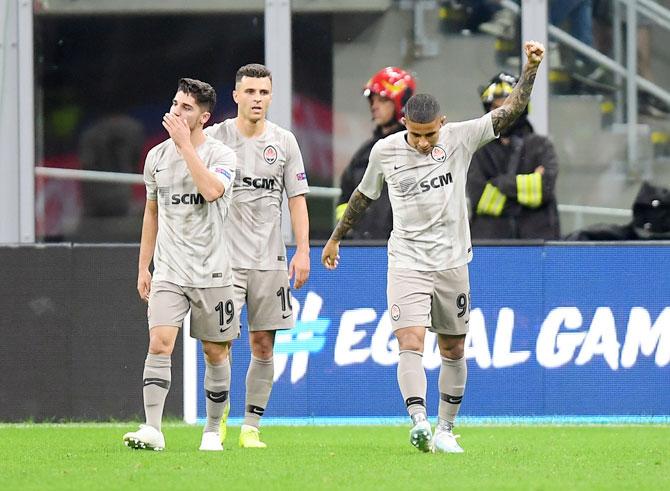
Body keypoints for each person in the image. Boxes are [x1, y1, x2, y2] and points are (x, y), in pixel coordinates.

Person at [322, 41, 545, 453]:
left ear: (442, 123)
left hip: (452, 262)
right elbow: (362, 196)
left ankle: (446, 427)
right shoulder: (384, 151)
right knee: (410, 341)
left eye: (430, 134)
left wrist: (530, 68)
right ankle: (419, 420)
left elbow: (510, 111)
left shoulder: (460, 138)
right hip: (406, 261)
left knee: (453, 347)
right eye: (416, 135)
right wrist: (336, 236)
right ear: (405, 124)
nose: (423, 143)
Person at [123, 78, 238, 452]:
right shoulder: (155, 158)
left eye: (186, 108)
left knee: (215, 352)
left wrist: (186, 147)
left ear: (203, 118)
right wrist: (144, 267)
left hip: (214, 271)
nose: (176, 112)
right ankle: (153, 429)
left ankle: (211, 430)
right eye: (175, 104)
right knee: (159, 342)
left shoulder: (222, 156)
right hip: (170, 269)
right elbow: (151, 214)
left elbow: (211, 191)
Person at [206, 63, 310, 448]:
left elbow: (297, 200)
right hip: (223, 262)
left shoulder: (284, 142)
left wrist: (302, 251)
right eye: (250, 92)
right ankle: (216, 422)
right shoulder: (215, 138)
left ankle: (251, 427)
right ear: (235, 96)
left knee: (264, 344)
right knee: (218, 344)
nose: (257, 99)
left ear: (271, 96)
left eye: (263, 92)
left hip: (269, 261)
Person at [467, 72, 560, 239]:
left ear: (522, 108)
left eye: (508, 106)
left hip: (537, 246)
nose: (502, 113)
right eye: (496, 107)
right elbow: (479, 198)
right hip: (490, 247)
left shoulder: (541, 146)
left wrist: (499, 184)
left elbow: (544, 190)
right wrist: (528, 190)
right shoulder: (478, 149)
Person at [336, 67, 416, 240]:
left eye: (382, 100)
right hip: (362, 248)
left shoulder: (415, 149)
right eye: (372, 100)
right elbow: (346, 196)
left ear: (401, 103)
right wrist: (348, 231)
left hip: (402, 249)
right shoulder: (365, 152)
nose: (374, 106)